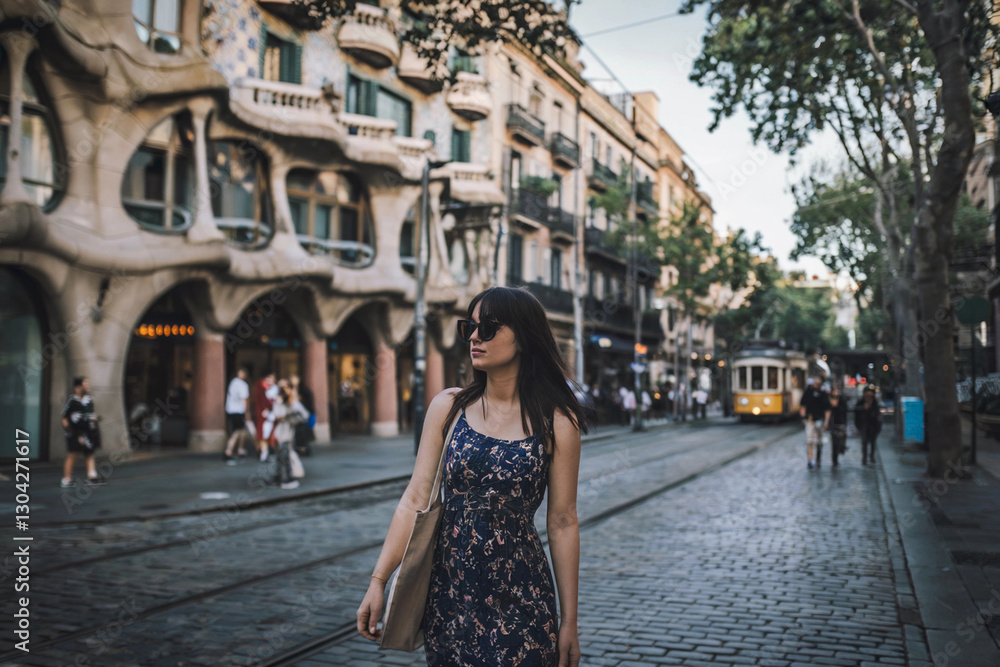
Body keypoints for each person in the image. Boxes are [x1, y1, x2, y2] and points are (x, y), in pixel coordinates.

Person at [357, 286, 587, 666]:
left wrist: (569, 622)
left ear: (525, 338)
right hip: (449, 598)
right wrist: (378, 580)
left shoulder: (558, 421)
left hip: (523, 599)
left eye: (490, 327)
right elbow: (415, 497)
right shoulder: (448, 407)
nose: (475, 337)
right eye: (471, 327)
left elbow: (563, 521)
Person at [60, 377, 106, 487]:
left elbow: (91, 415)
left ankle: (92, 476)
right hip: (75, 432)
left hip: (87, 432)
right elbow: (64, 417)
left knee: (89, 453)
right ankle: (67, 479)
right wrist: (69, 430)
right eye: (84, 383)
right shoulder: (72, 400)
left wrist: (93, 423)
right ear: (78, 387)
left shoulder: (89, 400)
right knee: (72, 454)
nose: (87, 385)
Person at [267, 386, 309, 489]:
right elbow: (276, 414)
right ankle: (280, 478)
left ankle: (286, 478)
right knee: (280, 456)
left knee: (284, 456)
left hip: (287, 434)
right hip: (279, 433)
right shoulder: (279, 403)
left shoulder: (293, 404)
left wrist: (290, 419)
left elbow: (304, 415)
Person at [799, 376, 830, 470]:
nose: (815, 385)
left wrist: (826, 422)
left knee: (818, 442)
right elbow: (803, 406)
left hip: (819, 420)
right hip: (810, 420)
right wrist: (804, 418)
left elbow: (827, 409)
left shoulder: (823, 394)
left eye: (818, 384)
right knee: (809, 441)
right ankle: (810, 460)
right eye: (815, 383)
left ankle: (817, 459)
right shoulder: (808, 392)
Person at [223, 367, 251, 464]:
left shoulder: (233, 382)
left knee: (241, 431)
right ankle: (229, 450)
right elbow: (245, 399)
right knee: (238, 431)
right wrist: (246, 412)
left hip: (231, 410)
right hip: (239, 411)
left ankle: (240, 449)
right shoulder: (242, 385)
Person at [289, 374, 316, 456]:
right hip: (295, 415)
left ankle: (304, 448)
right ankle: (300, 448)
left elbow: (309, 404)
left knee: (304, 432)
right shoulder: (290, 389)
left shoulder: (304, 391)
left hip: (304, 414)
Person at [252, 370, 276, 461]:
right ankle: (263, 452)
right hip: (264, 414)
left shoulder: (273, 388)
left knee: (267, 433)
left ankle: (265, 451)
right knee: (263, 434)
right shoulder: (261, 387)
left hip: (269, 414)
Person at [855, 386, 882, 465]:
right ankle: (864, 458)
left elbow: (877, 413)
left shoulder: (875, 403)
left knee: (872, 442)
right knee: (864, 442)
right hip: (864, 425)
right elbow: (857, 411)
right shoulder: (861, 402)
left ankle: (871, 456)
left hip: (873, 425)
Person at [827, 387, 849, 467]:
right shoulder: (829, 400)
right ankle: (834, 460)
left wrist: (836, 406)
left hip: (841, 423)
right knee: (834, 442)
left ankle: (841, 450)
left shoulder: (842, 400)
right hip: (833, 423)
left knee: (841, 441)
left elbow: (844, 411)